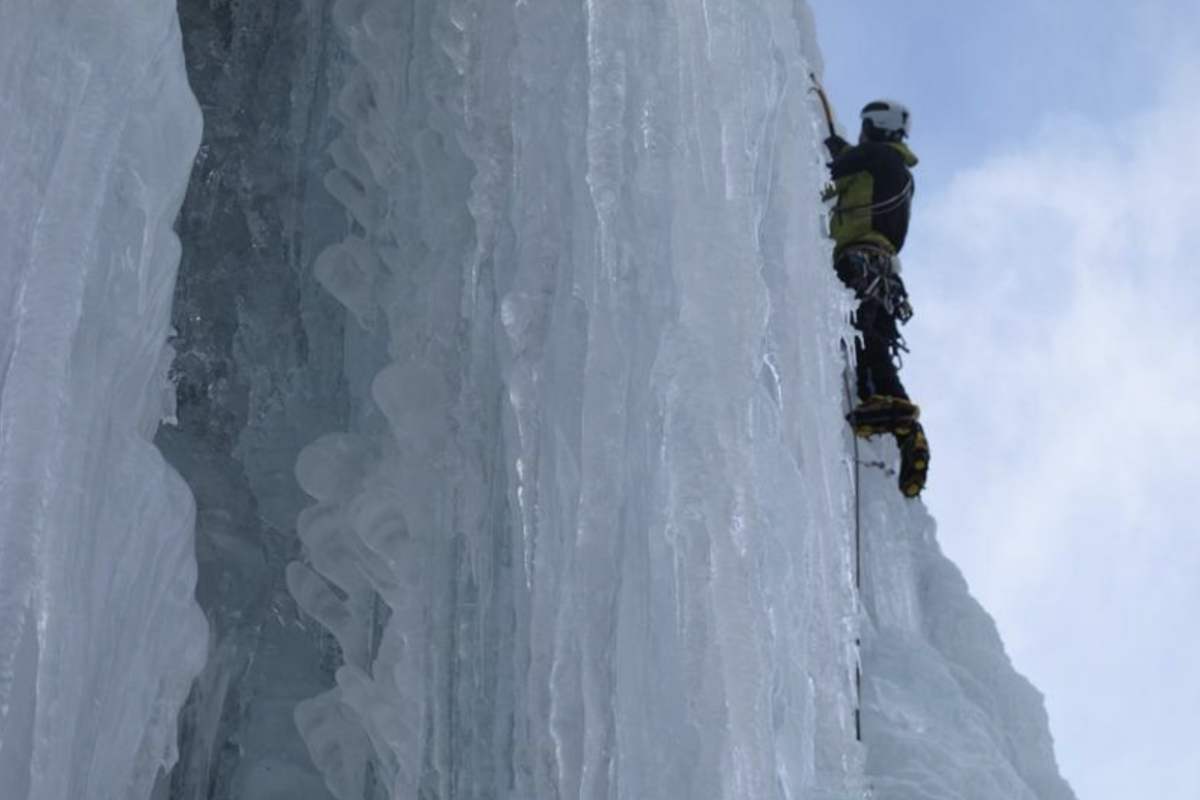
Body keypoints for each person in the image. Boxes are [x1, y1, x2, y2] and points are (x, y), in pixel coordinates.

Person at [824, 99, 929, 498]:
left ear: (874, 127)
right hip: (884, 270)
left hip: (858, 261)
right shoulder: (900, 171)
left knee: (864, 337)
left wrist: (833, 149)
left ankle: (880, 404)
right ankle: (906, 431)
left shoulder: (872, 156)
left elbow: (828, 178)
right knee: (877, 341)